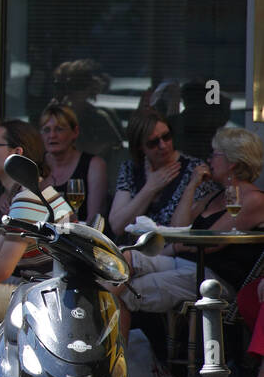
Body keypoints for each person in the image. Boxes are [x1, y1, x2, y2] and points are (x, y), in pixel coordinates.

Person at [117, 127, 264, 333]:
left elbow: (210, 243)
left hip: (216, 279)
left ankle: (113, 359)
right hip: (187, 265)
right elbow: (178, 229)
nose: (209, 159)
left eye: (215, 154)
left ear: (233, 162)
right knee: (122, 258)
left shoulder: (253, 199)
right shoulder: (215, 196)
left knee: (128, 291)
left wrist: (175, 247)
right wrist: (191, 186)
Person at [0, 120, 70, 333]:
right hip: (46, 291)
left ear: (16, 153)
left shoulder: (30, 198)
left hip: (49, 299)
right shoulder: (29, 193)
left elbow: (2, 269)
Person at [109, 106, 217, 233]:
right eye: (153, 142)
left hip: (171, 250)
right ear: (140, 147)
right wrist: (150, 188)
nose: (163, 145)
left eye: (166, 137)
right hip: (134, 249)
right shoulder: (130, 169)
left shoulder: (194, 170)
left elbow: (182, 230)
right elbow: (117, 226)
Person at [39, 102, 107, 223]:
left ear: (75, 132)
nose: (52, 135)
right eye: (47, 130)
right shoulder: (36, 166)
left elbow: (95, 220)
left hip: (79, 238)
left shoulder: (93, 166)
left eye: (59, 129)